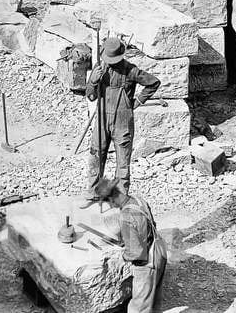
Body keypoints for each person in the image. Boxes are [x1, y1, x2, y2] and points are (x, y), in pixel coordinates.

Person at [81, 36, 161, 206]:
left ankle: (120, 198)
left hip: (122, 121)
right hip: (102, 119)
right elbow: (91, 96)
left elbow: (153, 83)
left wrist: (138, 101)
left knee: (122, 162)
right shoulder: (99, 68)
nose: (109, 63)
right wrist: (93, 81)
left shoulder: (130, 70)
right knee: (96, 155)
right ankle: (93, 193)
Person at [94, 177, 167, 313]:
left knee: (139, 308)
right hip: (159, 250)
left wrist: (122, 256)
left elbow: (136, 252)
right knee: (153, 300)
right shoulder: (138, 199)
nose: (111, 207)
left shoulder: (126, 216)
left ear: (111, 199)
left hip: (146, 263)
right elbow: (148, 225)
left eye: (109, 204)